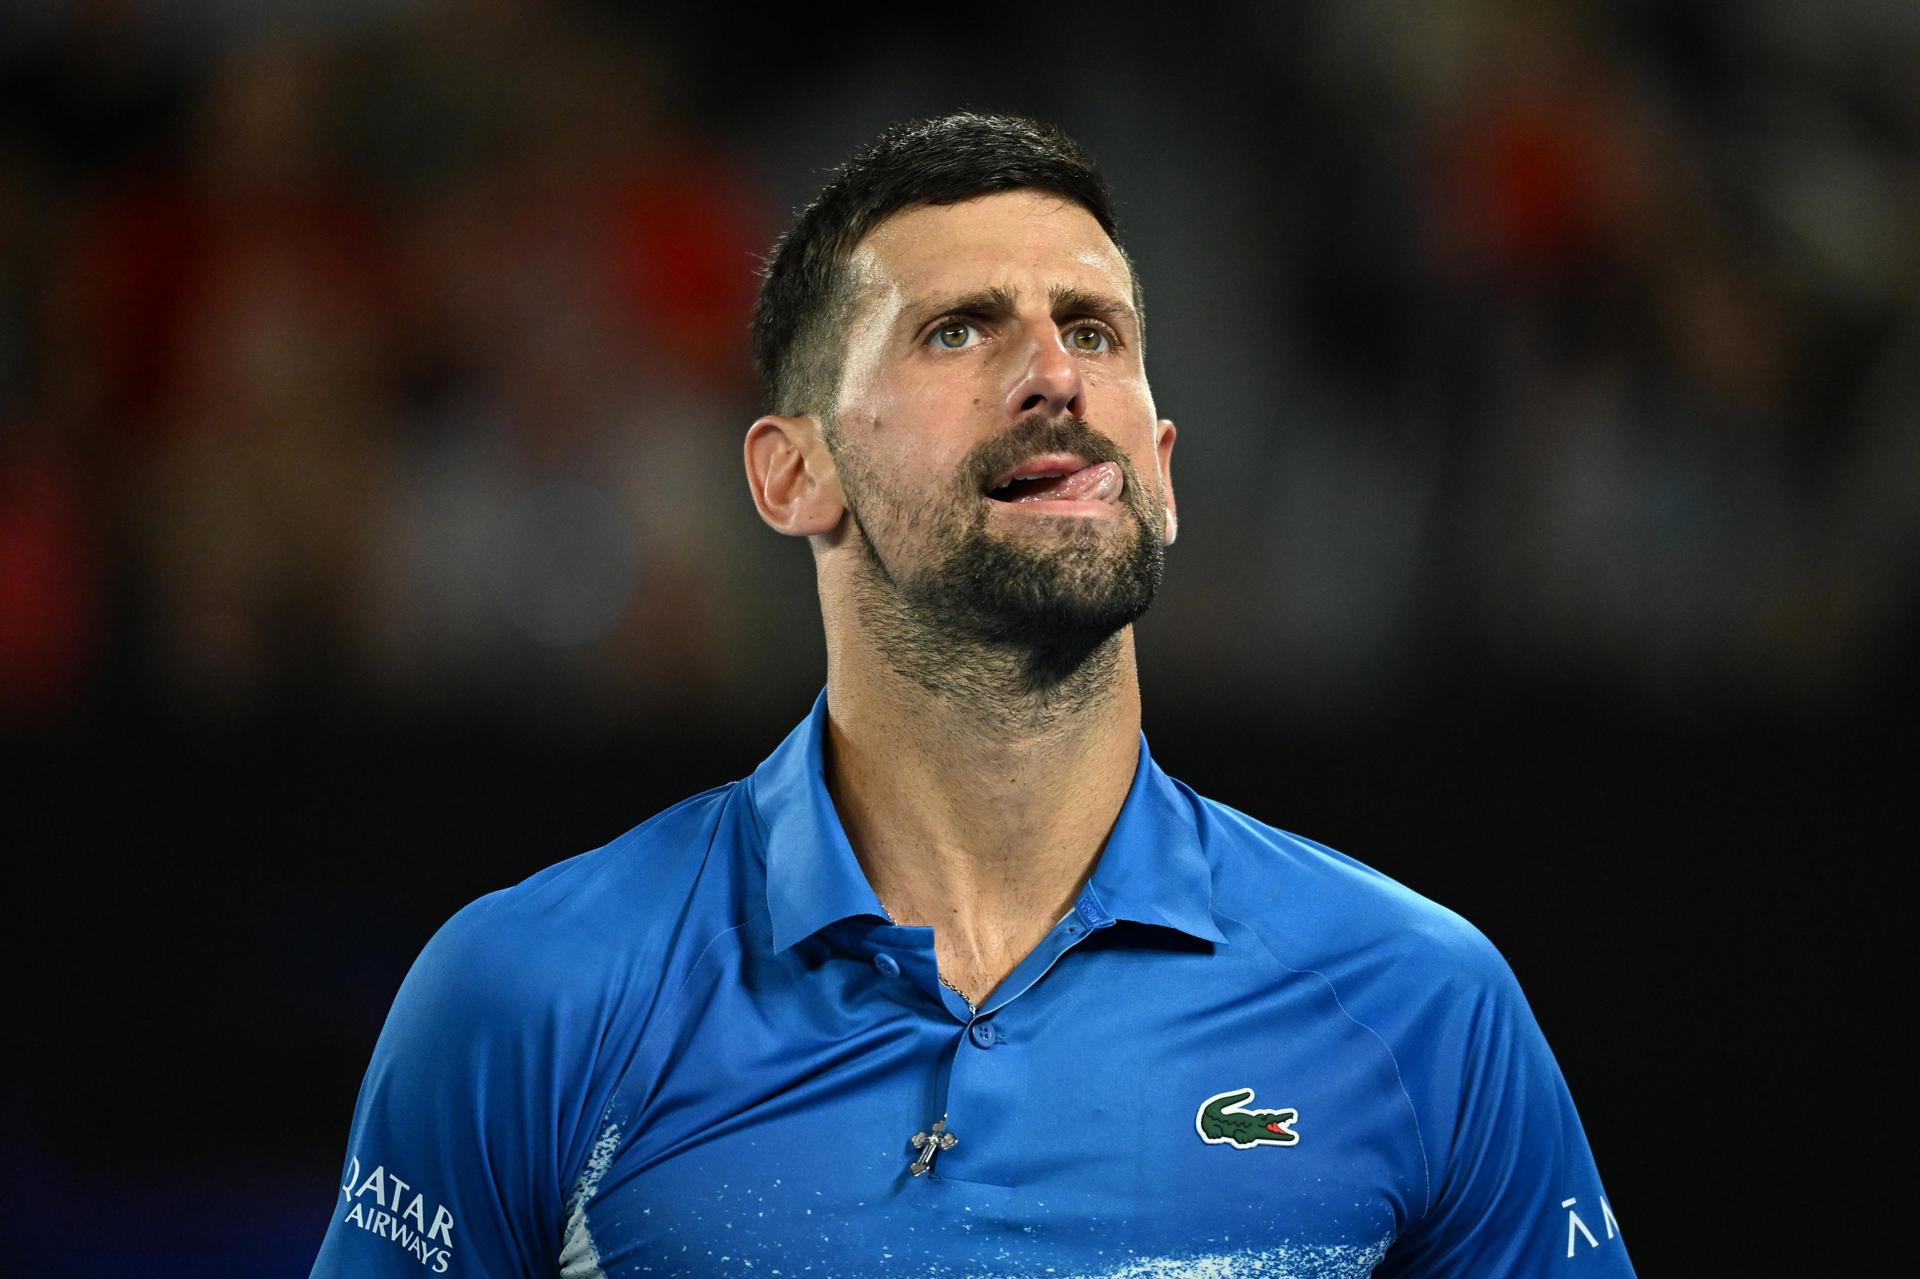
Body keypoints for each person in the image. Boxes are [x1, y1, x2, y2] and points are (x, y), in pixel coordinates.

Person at [310, 113, 1634, 1278]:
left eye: (1094, 331)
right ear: (792, 476)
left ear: (1158, 469)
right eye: (959, 329)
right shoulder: (535, 992)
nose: (1054, 374)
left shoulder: (1419, 1006)